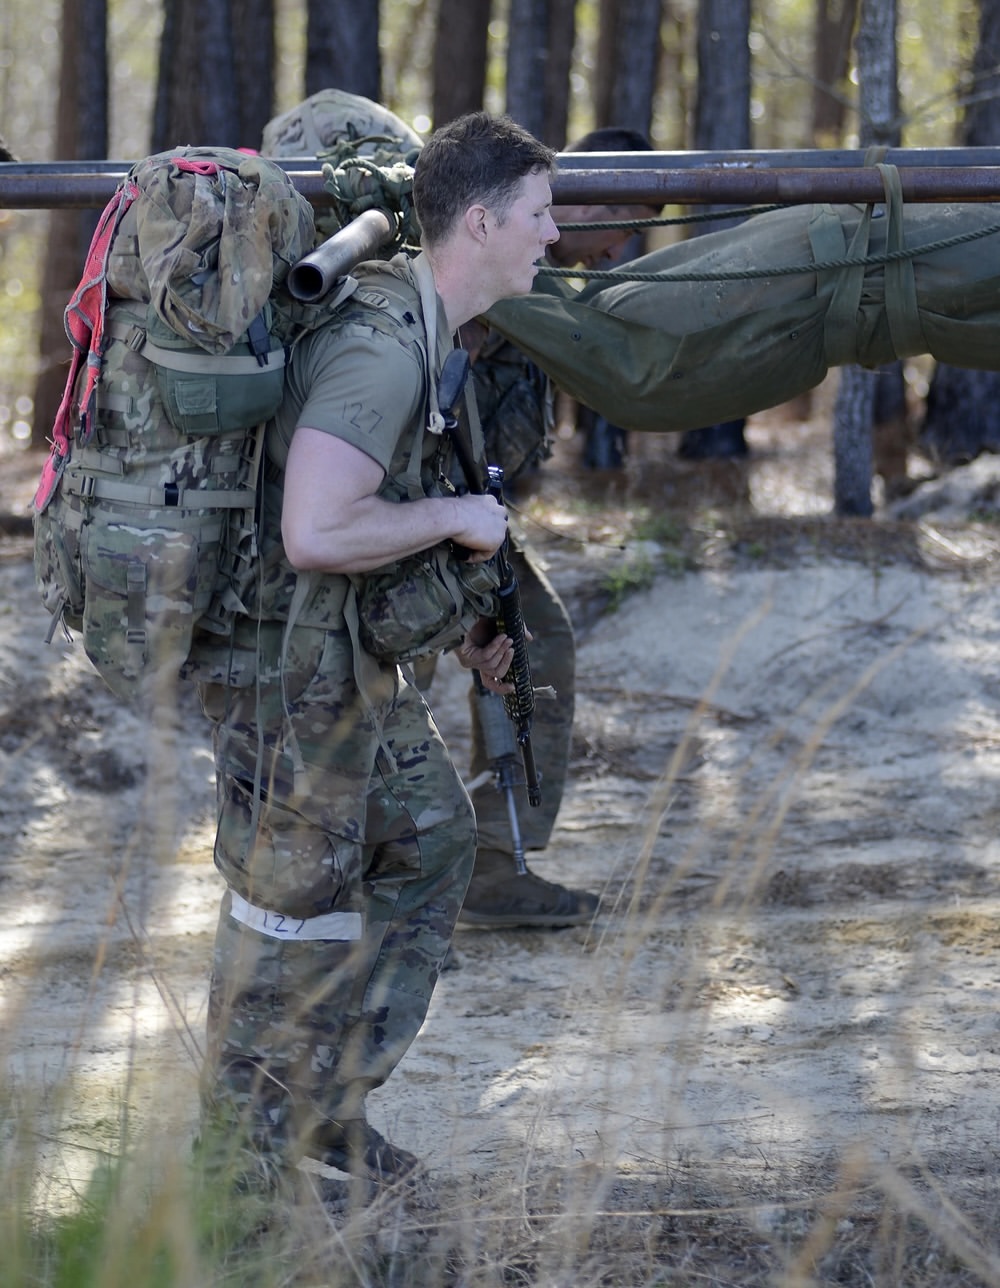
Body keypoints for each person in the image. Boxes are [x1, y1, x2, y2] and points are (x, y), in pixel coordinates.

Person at [195, 111, 559, 1191]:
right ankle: (233, 1188)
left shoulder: (424, 331)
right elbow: (318, 529)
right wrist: (453, 520)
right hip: (286, 676)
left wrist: (455, 625)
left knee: (436, 839)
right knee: (288, 917)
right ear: (483, 221)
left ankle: (324, 1113)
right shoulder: (382, 349)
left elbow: (367, 522)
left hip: (342, 661)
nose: (555, 237)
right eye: (539, 216)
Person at [447, 126, 661, 930]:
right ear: (593, 200)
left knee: (529, 644)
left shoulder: (540, 272)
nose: (621, 248)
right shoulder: (496, 251)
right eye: (625, 224)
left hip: (463, 510)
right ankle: (426, 875)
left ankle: (494, 866)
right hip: (413, 508)